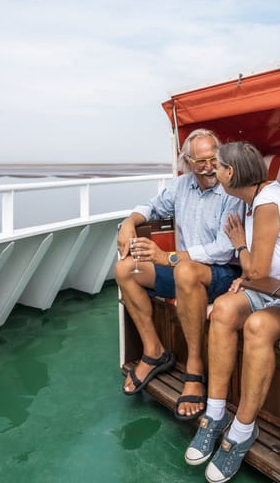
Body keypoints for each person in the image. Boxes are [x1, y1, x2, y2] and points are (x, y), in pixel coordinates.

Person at [186, 141, 280, 483]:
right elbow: (256, 275)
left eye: (216, 166)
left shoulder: (266, 204)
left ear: (230, 173)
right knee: (223, 309)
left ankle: (243, 429)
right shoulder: (251, 201)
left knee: (259, 326)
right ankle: (215, 415)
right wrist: (244, 280)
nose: (213, 172)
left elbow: (257, 271)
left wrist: (239, 246)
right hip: (270, 289)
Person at [116, 128, 244, 420]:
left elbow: (225, 249)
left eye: (214, 159)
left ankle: (195, 368)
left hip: (222, 275)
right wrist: (129, 222)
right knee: (125, 269)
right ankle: (154, 351)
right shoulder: (181, 185)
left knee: (184, 270)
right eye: (200, 162)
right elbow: (150, 207)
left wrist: (168, 257)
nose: (209, 167)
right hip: (184, 270)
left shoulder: (230, 190)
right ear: (187, 161)